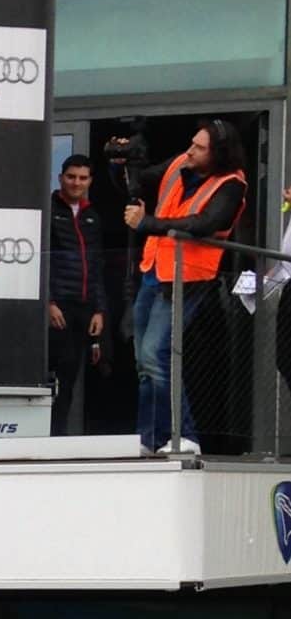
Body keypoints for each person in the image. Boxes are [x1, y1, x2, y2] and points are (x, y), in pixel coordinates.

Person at [125, 118, 247, 455]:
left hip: (187, 276)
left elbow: (206, 223)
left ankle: (185, 435)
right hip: (154, 268)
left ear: (218, 153)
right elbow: (140, 180)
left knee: (155, 354)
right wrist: (124, 161)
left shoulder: (231, 184)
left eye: (199, 147)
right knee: (143, 361)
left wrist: (148, 223)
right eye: (192, 143)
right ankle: (150, 439)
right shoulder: (182, 162)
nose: (190, 150)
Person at [46, 154, 106, 434]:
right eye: (71, 177)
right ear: (60, 178)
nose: (76, 183)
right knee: (50, 375)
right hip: (58, 306)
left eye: (83, 178)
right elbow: (40, 260)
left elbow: (97, 266)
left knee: (69, 377)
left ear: (90, 181)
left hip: (84, 307)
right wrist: (48, 302)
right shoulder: (48, 209)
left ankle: (58, 439)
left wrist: (99, 310)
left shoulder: (92, 216)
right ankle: (44, 435)